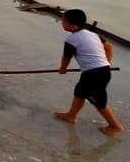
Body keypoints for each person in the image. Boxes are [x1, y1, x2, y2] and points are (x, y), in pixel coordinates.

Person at [53, 8, 125, 136]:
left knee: (97, 99)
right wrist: (106, 62)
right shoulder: (92, 34)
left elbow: (66, 57)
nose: (61, 23)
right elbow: (109, 46)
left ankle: (115, 125)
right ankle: (71, 116)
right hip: (101, 71)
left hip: (94, 74)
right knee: (80, 92)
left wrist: (62, 69)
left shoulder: (71, 40)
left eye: (64, 22)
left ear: (73, 27)